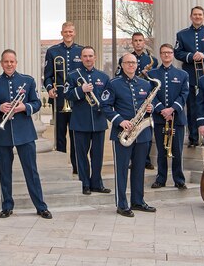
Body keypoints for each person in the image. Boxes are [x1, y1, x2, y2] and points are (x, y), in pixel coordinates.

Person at [0, 50, 52, 219]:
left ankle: (40, 206)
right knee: (4, 172)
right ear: (1, 63)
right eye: (6, 61)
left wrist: (24, 107)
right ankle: (7, 206)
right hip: (2, 133)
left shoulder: (28, 81)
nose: (9, 64)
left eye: (12, 61)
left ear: (16, 62)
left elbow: (36, 103)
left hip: (25, 133)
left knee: (31, 171)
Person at [102, 53, 156, 217]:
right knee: (122, 170)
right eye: (128, 62)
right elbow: (105, 106)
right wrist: (120, 121)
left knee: (139, 169)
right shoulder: (113, 84)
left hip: (142, 133)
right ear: (122, 65)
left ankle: (138, 201)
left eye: (133, 62)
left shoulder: (145, 84)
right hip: (122, 134)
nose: (131, 65)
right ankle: (122, 204)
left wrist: (150, 109)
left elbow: (148, 105)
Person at [174, 6, 204, 147]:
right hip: (190, 76)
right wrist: (191, 56)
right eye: (195, 15)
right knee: (192, 106)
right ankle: (193, 138)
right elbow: (177, 53)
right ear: (191, 17)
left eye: (200, 15)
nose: (197, 17)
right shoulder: (182, 35)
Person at [65, 46, 111, 196]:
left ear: (95, 57)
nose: (88, 59)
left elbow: (107, 98)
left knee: (97, 155)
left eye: (90, 56)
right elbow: (66, 94)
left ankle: (96, 183)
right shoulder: (73, 75)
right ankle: (84, 183)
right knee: (81, 155)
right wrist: (81, 90)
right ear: (81, 58)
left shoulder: (103, 77)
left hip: (98, 121)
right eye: (85, 56)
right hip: (80, 121)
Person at [42, 21, 83, 174]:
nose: (68, 34)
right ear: (61, 33)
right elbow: (47, 76)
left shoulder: (81, 50)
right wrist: (49, 88)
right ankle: (60, 166)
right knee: (60, 134)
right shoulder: (52, 51)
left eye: (71, 32)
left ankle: (76, 166)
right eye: (66, 32)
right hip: (59, 98)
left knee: (76, 134)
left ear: (74, 33)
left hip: (76, 99)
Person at [114, 32, 159, 170]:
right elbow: (118, 75)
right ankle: (130, 158)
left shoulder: (152, 60)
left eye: (140, 40)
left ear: (144, 42)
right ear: (132, 43)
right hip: (129, 95)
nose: (138, 43)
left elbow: (154, 78)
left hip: (144, 95)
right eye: (136, 41)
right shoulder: (124, 58)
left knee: (144, 132)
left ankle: (145, 159)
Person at [148, 44, 189, 189]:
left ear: (173, 54)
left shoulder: (183, 74)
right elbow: (150, 95)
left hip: (177, 118)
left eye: (169, 52)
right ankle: (161, 178)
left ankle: (179, 179)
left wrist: (172, 109)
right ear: (160, 54)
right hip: (160, 118)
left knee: (177, 149)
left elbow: (184, 94)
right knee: (161, 150)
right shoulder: (152, 74)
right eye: (164, 52)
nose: (166, 55)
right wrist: (162, 110)